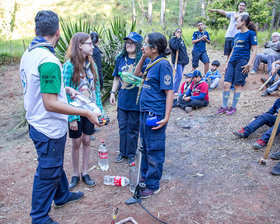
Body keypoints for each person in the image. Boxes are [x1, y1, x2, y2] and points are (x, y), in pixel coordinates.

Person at [19, 11, 100, 224]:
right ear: (58, 32)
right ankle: (39, 217)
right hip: (48, 127)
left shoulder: (29, 53)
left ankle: (62, 195)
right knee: (48, 169)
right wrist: (86, 112)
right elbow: (50, 103)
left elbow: (41, 88)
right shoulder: (49, 61)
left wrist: (65, 89)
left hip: (35, 121)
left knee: (53, 163)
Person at [134, 32, 173, 198]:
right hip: (144, 112)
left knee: (154, 148)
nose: (143, 46)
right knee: (144, 146)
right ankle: (144, 176)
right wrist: (143, 57)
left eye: (146, 43)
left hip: (154, 114)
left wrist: (166, 117)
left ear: (154, 48)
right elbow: (136, 74)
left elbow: (169, 92)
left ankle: (152, 184)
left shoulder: (163, 65)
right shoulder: (151, 63)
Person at [63, 32, 104, 189]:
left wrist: (100, 110)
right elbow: (64, 94)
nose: (92, 46)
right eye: (89, 43)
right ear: (80, 45)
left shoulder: (91, 65)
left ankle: (85, 172)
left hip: (91, 110)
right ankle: (74, 174)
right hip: (76, 111)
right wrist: (71, 117)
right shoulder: (68, 66)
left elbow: (97, 90)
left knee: (87, 140)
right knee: (76, 142)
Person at [110, 32, 149, 165]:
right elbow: (116, 78)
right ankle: (122, 152)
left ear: (138, 45)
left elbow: (147, 79)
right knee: (122, 126)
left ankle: (131, 153)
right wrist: (112, 92)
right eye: (127, 42)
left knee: (133, 127)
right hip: (123, 99)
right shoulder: (120, 59)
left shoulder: (144, 60)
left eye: (132, 43)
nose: (129, 45)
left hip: (136, 100)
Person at [216, 15, 257, 115]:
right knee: (226, 84)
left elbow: (255, 50)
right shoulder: (237, 35)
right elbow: (233, 50)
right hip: (232, 61)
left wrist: (249, 64)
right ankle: (224, 106)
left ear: (243, 22)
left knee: (237, 84)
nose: (235, 23)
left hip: (242, 62)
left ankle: (233, 107)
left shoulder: (251, 34)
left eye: (237, 21)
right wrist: (227, 63)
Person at [169, 28, 189, 95]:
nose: (179, 33)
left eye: (180, 32)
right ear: (174, 32)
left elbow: (184, 50)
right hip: (177, 61)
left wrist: (186, 59)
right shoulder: (172, 40)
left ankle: (175, 89)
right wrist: (177, 39)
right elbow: (175, 47)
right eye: (177, 32)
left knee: (179, 76)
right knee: (179, 75)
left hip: (182, 60)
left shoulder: (181, 40)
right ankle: (174, 90)